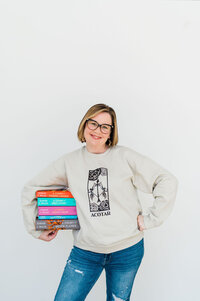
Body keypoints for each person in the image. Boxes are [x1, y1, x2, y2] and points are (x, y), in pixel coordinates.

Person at [21, 103, 178, 301]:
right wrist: (35, 229)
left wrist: (150, 220)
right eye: (93, 123)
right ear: (84, 125)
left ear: (111, 132)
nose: (97, 130)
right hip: (85, 252)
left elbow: (166, 180)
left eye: (105, 126)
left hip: (127, 250)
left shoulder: (124, 157)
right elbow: (31, 189)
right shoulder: (68, 163)